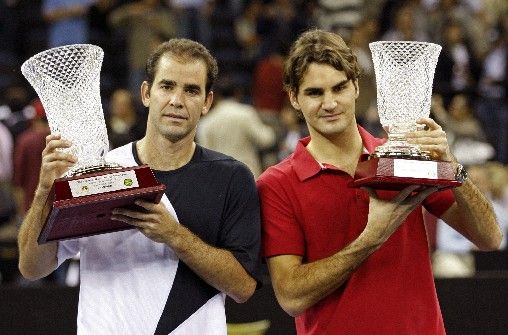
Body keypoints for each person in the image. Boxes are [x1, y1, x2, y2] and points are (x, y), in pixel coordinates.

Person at [256, 29, 503, 335]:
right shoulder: (277, 183)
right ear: (294, 98)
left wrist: (451, 165)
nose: (330, 103)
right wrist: (370, 238)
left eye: (339, 88)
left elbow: (490, 238)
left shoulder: (402, 159)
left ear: (356, 87)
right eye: (314, 93)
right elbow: (291, 296)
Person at [18, 38, 261, 334]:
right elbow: (32, 267)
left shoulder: (232, 178)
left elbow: (243, 288)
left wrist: (174, 236)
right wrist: (44, 193)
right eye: (167, 86)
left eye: (191, 90)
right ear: (146, 93)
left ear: (207, 102)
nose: (177, 101)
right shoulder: (98, 175)